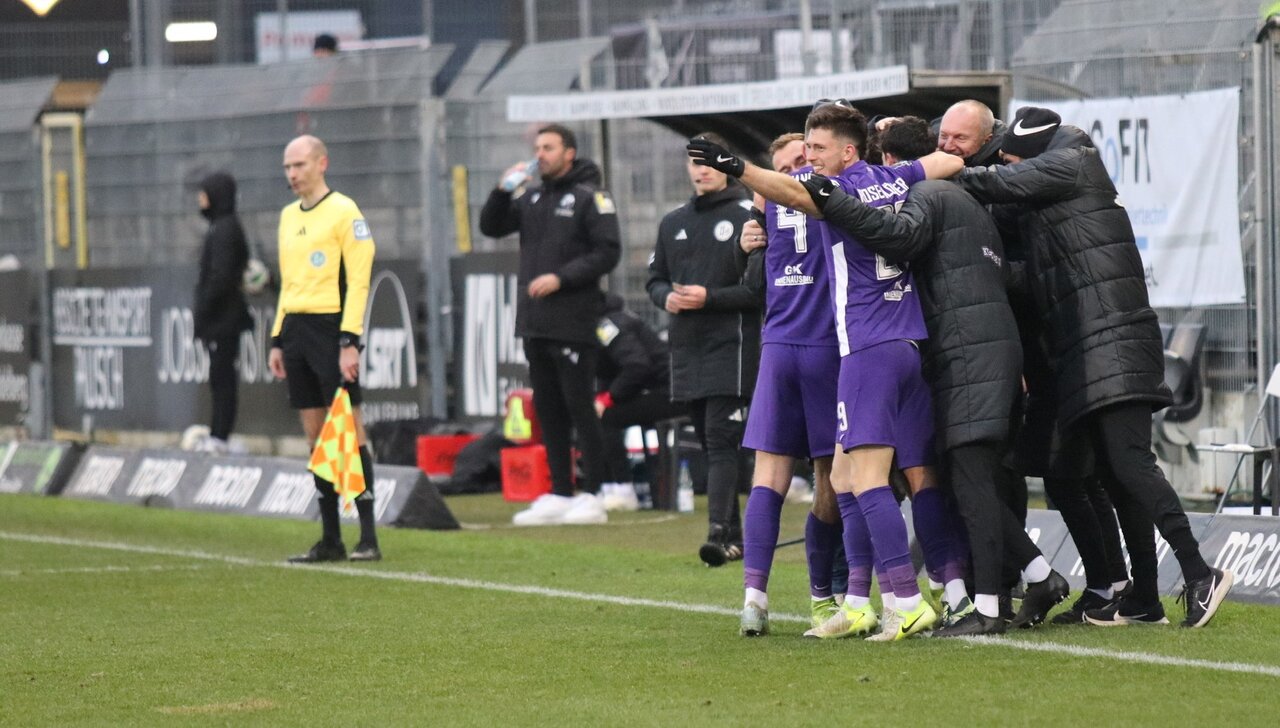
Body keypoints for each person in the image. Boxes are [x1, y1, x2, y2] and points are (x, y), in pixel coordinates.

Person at [689, 101, 966, 641]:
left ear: (847, 151)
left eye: (817, 149)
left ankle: (907, 601)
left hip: (865, 345)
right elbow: (945, 163)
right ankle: (867, 602)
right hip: (906, 339)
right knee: (847, 476)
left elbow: (791, 194)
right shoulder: (891, 178)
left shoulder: (832, 191)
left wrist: (736, 167)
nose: (809, 158)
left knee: (866, 480)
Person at [957, 106, 1235, 627]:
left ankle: (1201, 573)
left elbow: (1002, 182)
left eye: (1011, 158)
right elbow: (1033, 276)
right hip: (1093, 344)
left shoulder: (1075, 161)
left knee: (1131, 465)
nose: (1008, 167)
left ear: (1030, 153)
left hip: (1116, 340)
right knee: (1112, 472)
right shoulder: (1053, 202)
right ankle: (1144, 597)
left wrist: (945, 172)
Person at [795, 117, 1069, 635]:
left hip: (931, 350)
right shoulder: (966, 198)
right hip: (964, 348)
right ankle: (1020, 578)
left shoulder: (922, 198)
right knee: (945, 476)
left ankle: (943, 601)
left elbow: (895, 238)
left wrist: (829, 198)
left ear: (887, 162)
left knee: (934, 478)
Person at [735, 132, 848, 637]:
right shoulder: (833, 193)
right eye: (788, 166)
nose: (801, 168)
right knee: (834, 480)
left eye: (805, 157)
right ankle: (827, 599)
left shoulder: (767, 206)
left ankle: (753, 599)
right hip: (825, 347)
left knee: (769, 478)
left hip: (778, 347)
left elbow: (751, 285)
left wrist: (754, 226)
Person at [479, 124, 621, 526]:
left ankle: (594, 493)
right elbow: (491, 226)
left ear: (568, 153)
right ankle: (560, 491)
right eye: (537, 147)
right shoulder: (533, 196)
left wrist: (562, 278)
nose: (540, 154)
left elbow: (608, 252)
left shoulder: (590, 197)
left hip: (573, 320)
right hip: (535, 321)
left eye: (549, 147)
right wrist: (502, 191)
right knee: (548, 407)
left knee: (579, 406)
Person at [647, 132, 760, 566]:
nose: (703, 170)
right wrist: (667, 298)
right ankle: (733, 537)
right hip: (687, 348)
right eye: (695, 162)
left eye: (710, 162)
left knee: (721, 441)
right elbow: (655, 279)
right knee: (710, 443)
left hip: (731, 347)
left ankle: (718, 532)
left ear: (727, 165)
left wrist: (708, 297)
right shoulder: (672, 222)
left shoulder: (747, 214)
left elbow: (758, 291)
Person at [269, 135, 380, 563]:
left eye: (299, 165)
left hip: (331, 329)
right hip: (296, 330)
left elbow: (359, 281)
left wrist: (349, 341)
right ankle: (331, 537)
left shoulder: (344, 212)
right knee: (316, 436)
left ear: (322, 163)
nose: (292, 174)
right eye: (287, 167)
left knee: (348, 430)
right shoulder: (287, 216)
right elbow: (288, 284)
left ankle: (368, 537)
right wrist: (277, 338)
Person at [594, 292, 687, 511]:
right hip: (668, 389)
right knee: (601, 414)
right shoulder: (617, 319)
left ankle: (622, 489)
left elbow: (636, 366)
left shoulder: (607, 326)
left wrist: (609, 398)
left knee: (607, 417)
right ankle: (610, 488)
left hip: (672, 393)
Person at [193, 171, 252, 455]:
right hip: (219, 320)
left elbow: (221, 276)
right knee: (219, 378)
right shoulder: (218, 227)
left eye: (204, 193)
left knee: (223, 378)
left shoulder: (226, 229)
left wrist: (205, 307)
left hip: (223, 320)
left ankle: (220, 438)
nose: (200, 199)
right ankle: (217, 434)